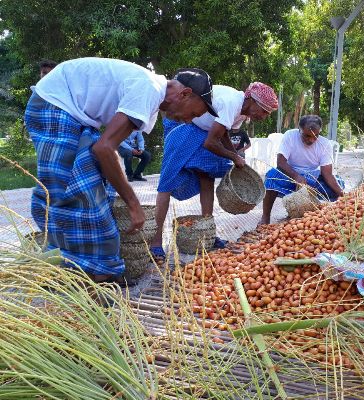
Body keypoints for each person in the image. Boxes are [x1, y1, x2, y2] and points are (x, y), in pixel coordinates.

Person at [25, 57, 216, 283]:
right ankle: (78, 267)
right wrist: (133, 203)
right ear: (184, 94)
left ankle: (95, 267)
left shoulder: (150, 91)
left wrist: (121, 186)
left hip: (70, 113)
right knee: (77, 193)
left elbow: (107, 148)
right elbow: (104, 148)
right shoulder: (149, 90)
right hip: (53, 106)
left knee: (96, 190)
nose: (188, 121)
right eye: (193, 114)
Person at [150, 82, 278, 261]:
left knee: (207, 176)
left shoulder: (241, 113)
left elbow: (223, 133)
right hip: (183, 124)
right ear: (252, 101)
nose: (264, 117)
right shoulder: (231, 103)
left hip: (203, 130)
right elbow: (210, 143)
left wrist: (235, 156)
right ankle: (156, 241)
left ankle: (208, 234)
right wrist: (234, 158)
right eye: (264, 111)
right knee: (167, 182)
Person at [259, 115, 345, 225]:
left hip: (312, 177)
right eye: (307, 136)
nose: (311, 140)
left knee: (338, 184)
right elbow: (281, 162)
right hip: (290, 173)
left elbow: (327, 174)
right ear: (299, 129)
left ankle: (332, 217)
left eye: (316, 135)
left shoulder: (325, 144)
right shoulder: (290, 135)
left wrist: (343, 195)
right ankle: (265, 217)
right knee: (271, 176)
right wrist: (296, 176)